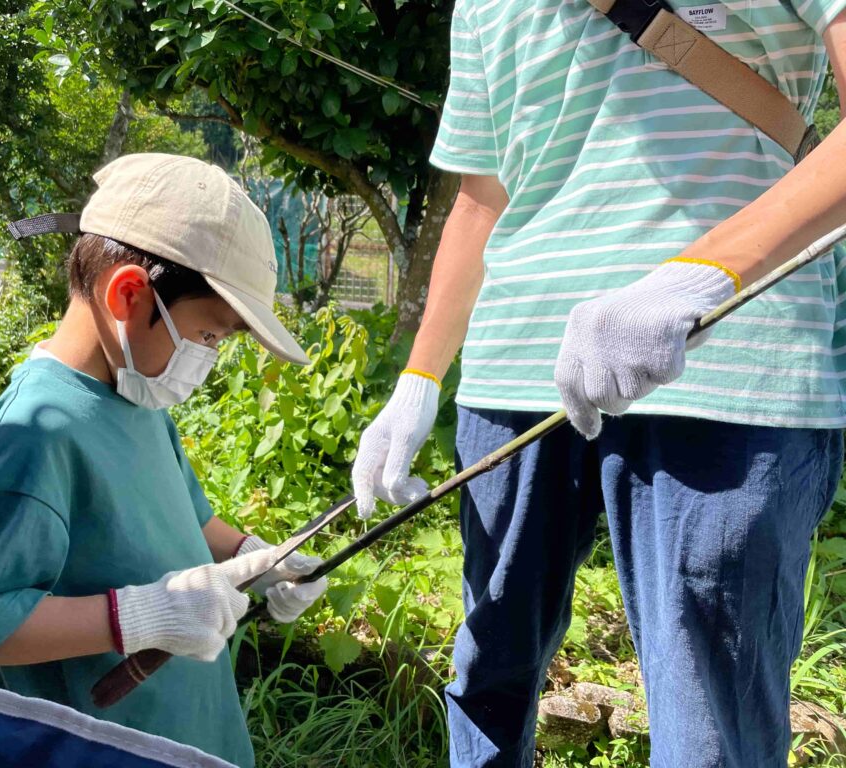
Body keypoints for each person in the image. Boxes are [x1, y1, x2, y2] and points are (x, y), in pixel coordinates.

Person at [352, 2, 846, 766]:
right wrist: (420, 378)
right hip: (513, 372)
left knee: (708, 737)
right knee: (487, 685)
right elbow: (484, 198)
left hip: (721, 364)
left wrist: (705, 275)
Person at [0, 153, 328, 768]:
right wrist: (139, 614)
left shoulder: (136, 395)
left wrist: (254, 560)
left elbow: (188, 522)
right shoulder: (36, 433)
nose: (210, 356)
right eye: (211, 334)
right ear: (130, 293)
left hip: (188, 734)